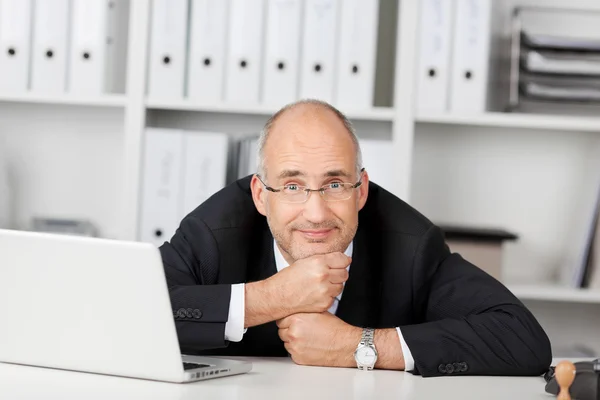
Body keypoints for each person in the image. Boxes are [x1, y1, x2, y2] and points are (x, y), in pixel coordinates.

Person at [160, 99, 552, 377]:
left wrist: (362, 347)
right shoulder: (214, 233)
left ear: (361, 190)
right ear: (261, 195)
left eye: (334, 183)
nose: (316, 213)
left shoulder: (410, 244)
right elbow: (128, 309)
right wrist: (269, 298)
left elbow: (522, 338)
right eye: (293, 186)